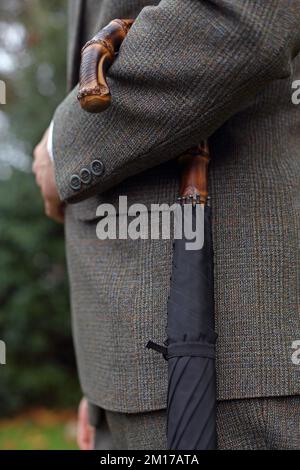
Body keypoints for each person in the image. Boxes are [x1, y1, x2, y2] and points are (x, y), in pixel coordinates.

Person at [33, 0, 300, 450]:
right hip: (130, 384)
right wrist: (106, 380)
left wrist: (64, 146)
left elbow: (240, 16)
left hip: (240, 377)